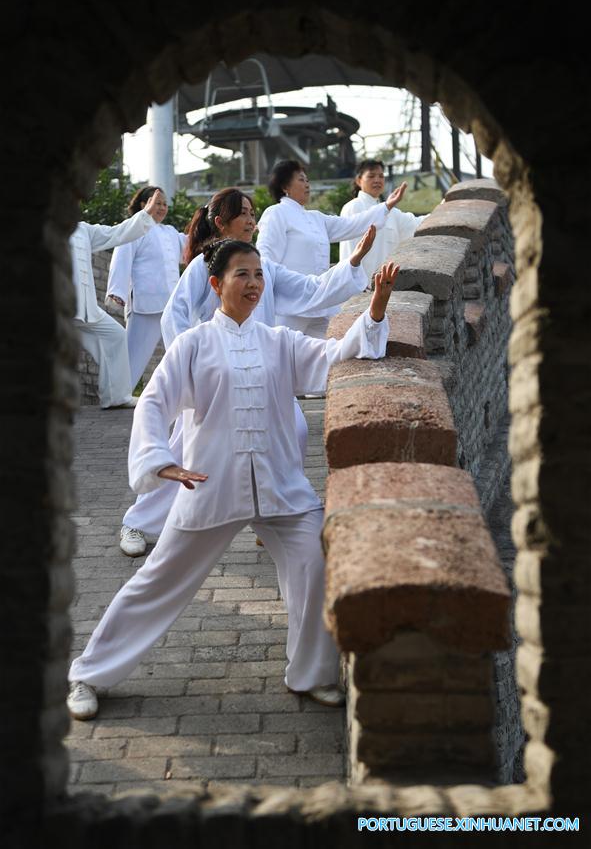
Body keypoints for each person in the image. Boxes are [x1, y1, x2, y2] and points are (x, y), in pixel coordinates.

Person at [66, 238, 400, 721]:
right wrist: (160, 460)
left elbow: (334, 358)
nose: (254, 283)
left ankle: (311, 673)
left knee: (312, 562)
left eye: (259, 274)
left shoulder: (278, 340)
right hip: (211, 486)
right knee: (156, 582)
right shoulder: (194, 344)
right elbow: (156, 403)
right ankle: (88, 673)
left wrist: (377, 308)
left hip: (281, 487)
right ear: (217, 284)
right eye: (242, 274)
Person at [119, 187, 379, 557]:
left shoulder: (265, 267)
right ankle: (138, 522)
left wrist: (351, 262)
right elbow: (173, 315)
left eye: (254, 213)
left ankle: (272, 516)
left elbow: (311, 290)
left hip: (261, 372)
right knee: (183, 454)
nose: (252, 220)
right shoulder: (204, 266)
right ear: (221, 221)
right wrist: (194, 367)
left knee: (296, 427)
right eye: (244, 213)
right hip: (214, 381)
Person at [255, 159, 408, 337]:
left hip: (321, 303)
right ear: (284, 186)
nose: (307, 184)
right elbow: (265, 258)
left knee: (320, 360)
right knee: (284, 357)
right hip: (290, 305)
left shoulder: (316, 218)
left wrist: (386, 205)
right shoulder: (276, 213)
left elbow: (352, 224)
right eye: (301, 180)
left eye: (307, 180)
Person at [71, 189, 162, 409]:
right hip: (55, 306)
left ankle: (115, 396)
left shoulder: (83, 230)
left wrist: (146, 214)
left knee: (115, 336)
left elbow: (117, 233)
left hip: (85, 308)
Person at [105, 186, 187, 390]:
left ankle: (186, 394)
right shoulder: (134, 228)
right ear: (144, 204)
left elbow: (190, 248)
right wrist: (117, 290)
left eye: (164, 204)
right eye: (157, 203)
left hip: (171, 304)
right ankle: (117, 394)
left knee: (182, 350)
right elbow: (121, 258)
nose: (162, 207)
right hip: (145, 303)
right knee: (133, 355)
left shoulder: (170, 233)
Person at [339, 159, 428, 281]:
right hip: (360, 289)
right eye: (371, 176)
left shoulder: (391, 213)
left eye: (381, 176)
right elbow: (348, 251)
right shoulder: (353, 207)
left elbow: (418, 224)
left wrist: (444, 208)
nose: (377, 180)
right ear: (359, 180)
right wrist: (353, 282)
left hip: (386, 287)